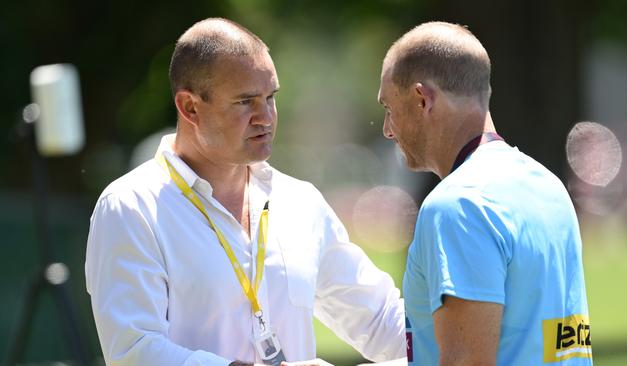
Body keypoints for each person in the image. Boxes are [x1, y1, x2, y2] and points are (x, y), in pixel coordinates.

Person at [85, 18, 405, 366]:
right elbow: (134, 353)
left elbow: (380, 321)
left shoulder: (300, 202)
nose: (266, 117)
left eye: (270, 97)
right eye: (245, 102)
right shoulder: (129, 208)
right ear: (189, 107)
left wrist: (459, 339)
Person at [378, 22, 592, 365]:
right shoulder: (548, 187)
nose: (388, 129)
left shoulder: (457, 206)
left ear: (422, 99)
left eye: (389, 108)